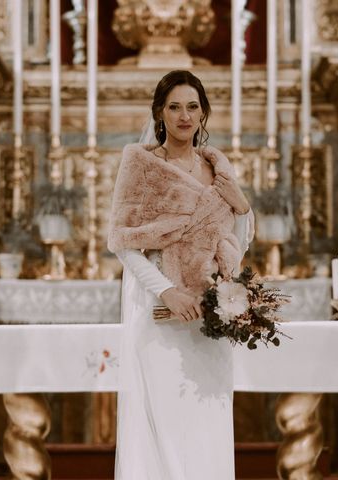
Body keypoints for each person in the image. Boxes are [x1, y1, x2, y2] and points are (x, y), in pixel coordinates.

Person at [107, 70, 254, 480]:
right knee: (165, 426)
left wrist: (243, 208)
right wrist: (168, 292)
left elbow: (234, 242)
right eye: (174, 107)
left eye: (193, 106)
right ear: (160, 112)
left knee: (207, 421)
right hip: (160, 315)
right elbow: (124, 242)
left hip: (208, 314)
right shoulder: (141, 165)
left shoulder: (216, 165)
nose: (184, 115)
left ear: (204, 112)